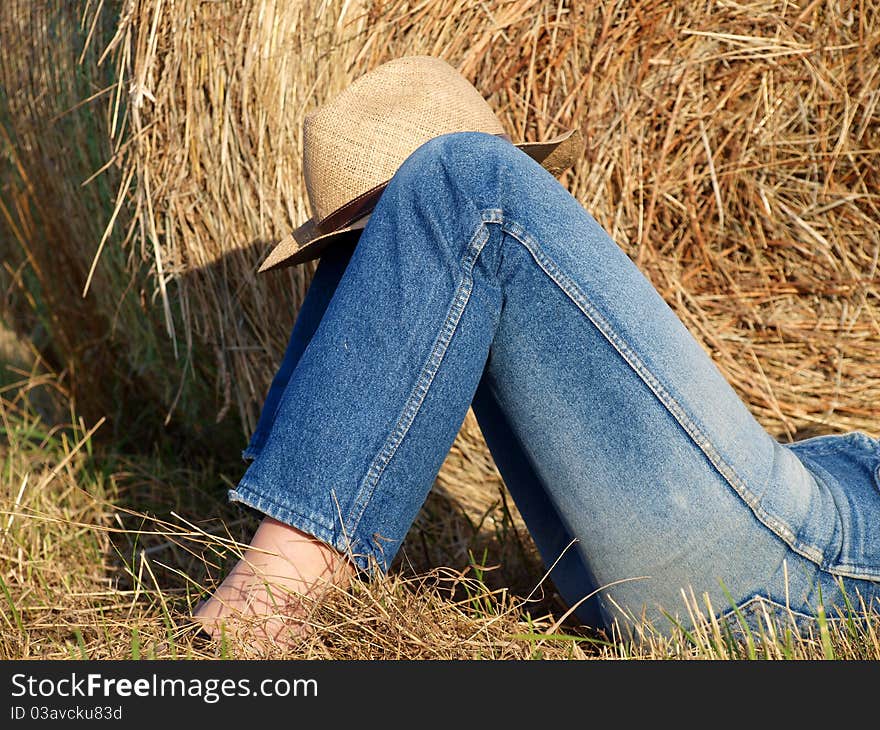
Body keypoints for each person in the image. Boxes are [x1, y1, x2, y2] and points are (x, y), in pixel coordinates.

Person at [193, 56, 880, 649]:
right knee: (387, 225)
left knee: (465, 184)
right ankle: (281, 541)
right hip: (767, 526)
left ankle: (273, 596)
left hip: (816, 558)